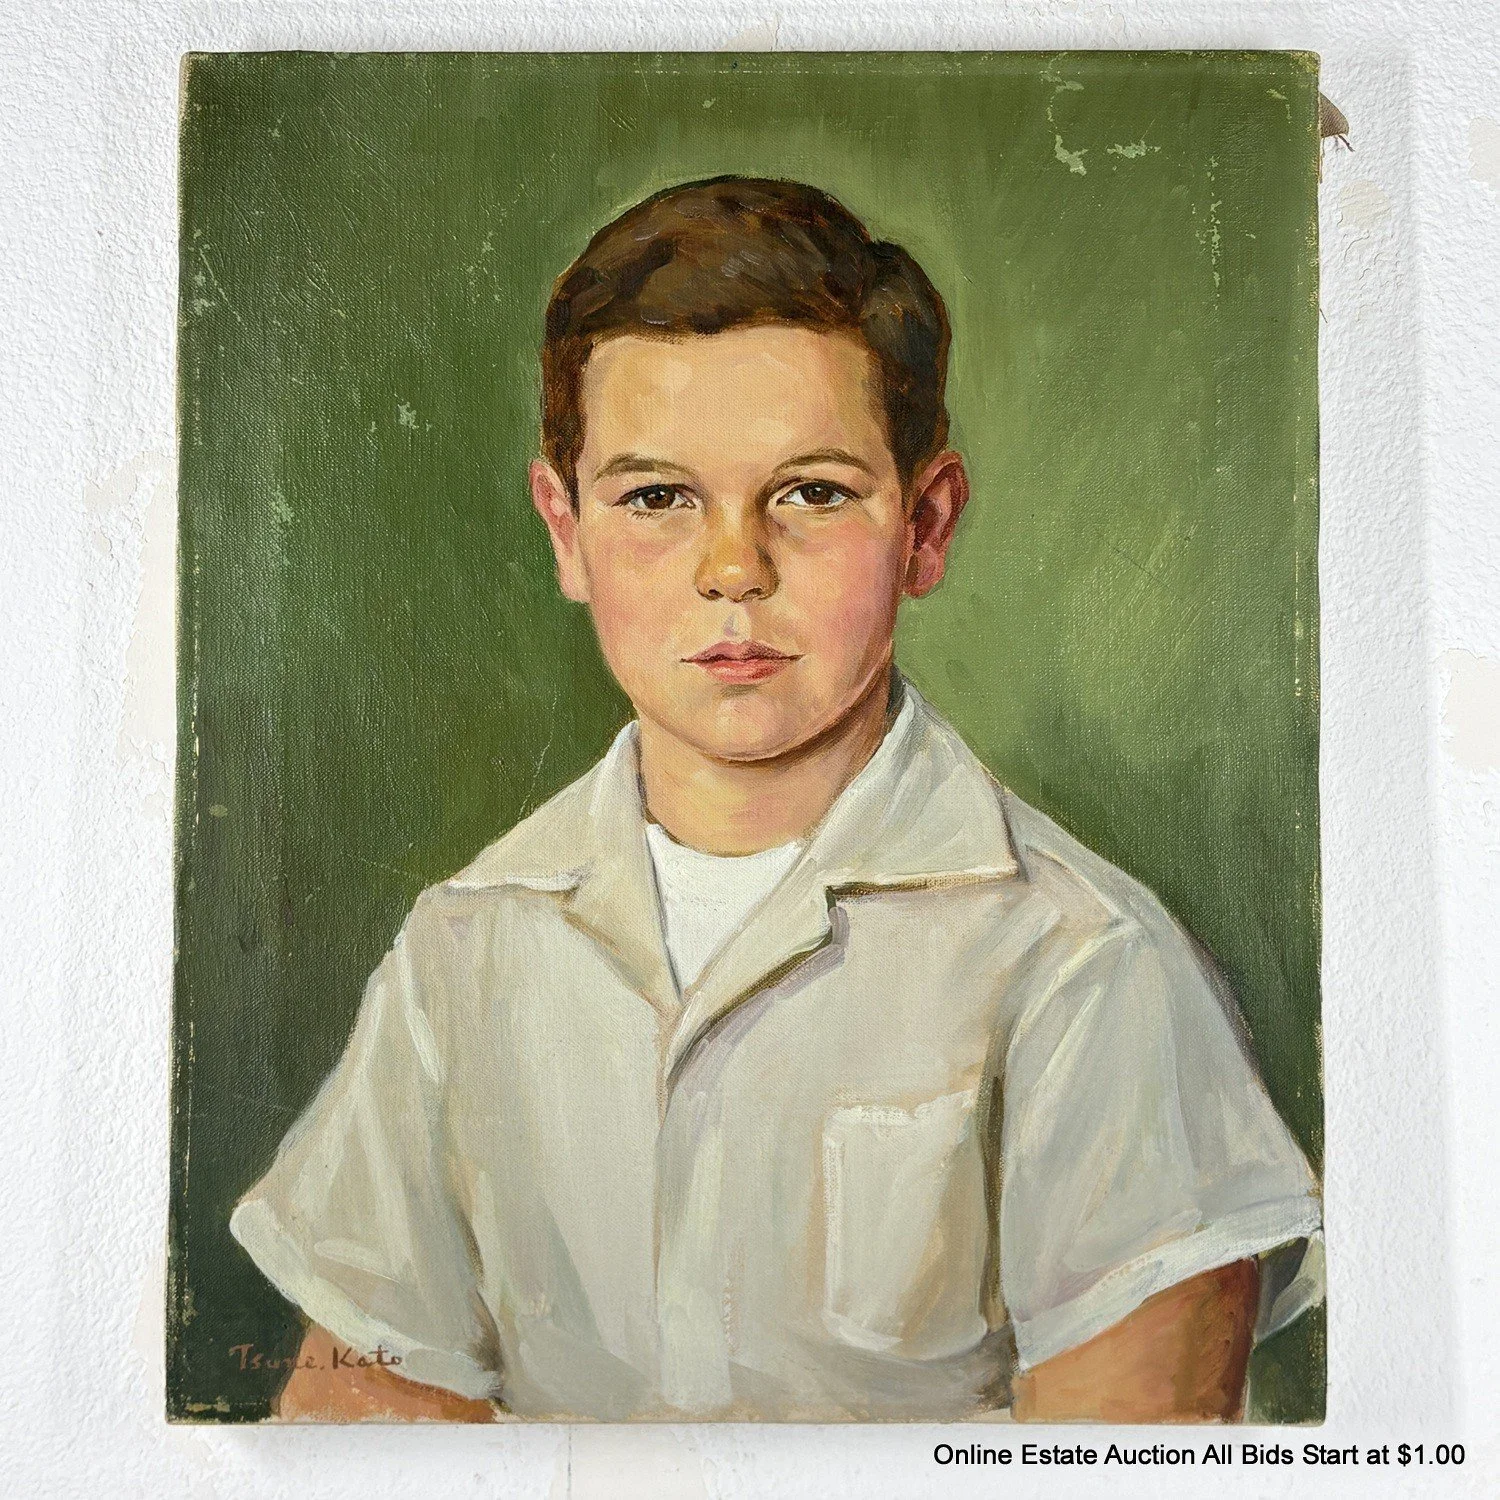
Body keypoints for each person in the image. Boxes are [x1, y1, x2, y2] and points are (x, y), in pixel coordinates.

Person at [231, 176, 1323, 1423]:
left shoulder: (1084, 964)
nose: (733, 569)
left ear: (927, 525)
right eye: (656, 497)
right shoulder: (462, 949)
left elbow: (1135, 1458)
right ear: (566, 530)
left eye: (811, 492)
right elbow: (364, 1424)